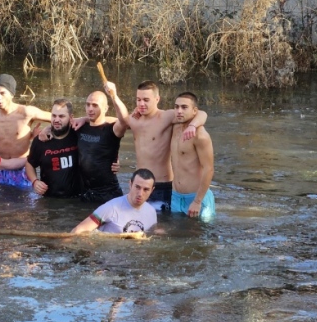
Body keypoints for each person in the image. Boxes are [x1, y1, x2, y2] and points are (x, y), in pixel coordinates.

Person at [102, 80, 206, 210]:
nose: (141, 104)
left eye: (146, 100)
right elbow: (117, 120)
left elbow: (201, 114)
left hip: (161, 185)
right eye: (138, 100)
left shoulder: (166, 116)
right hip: (138, 184)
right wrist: (113, 96)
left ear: (157, 99)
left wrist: (192, 125)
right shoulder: (135, 119)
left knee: (161, 227)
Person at [0, 74, 51, 188]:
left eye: (2, 93)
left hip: (24, 169)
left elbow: (59, 118)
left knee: (25, 204)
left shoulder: (26, 112)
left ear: (11, 94)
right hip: (3, 170)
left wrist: (47, 129)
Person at [71, 169, 158, 234]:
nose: (140, 193)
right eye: (137, 187)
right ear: (130, 184)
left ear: (152, 190)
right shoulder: (111, 208)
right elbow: (78, 231)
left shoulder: (151, 212)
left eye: (146, 189)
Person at [170, 92, 215, 219]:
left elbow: (209, 169)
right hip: (175, 196)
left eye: (184, 107)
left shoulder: (201, 136)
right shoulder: (174, 127)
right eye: (176, 107)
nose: (179, 111)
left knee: (199, 236)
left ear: (194, 111)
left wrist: (197, 201)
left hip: (196, 198)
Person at [25, 99, 82, 198]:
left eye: (61, 116)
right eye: (54, 116)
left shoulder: (79, 134)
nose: (56, 120)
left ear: (71, 117)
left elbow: (106, 125)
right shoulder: (40, 140)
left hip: (77, 198)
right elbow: (29, 164)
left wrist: (114, 159)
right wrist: (35, 181)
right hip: (50, 199)